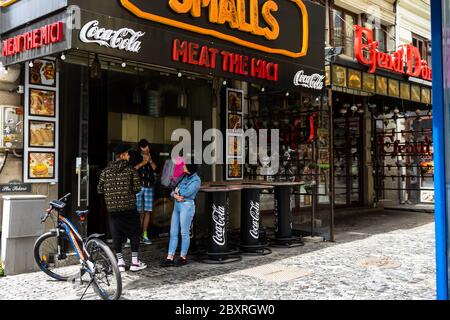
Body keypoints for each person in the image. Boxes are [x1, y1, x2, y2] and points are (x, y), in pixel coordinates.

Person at [97, 144, 147, 272]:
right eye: (127, 154)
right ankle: (135, 262)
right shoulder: (131, 171)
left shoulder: (105, 171)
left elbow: (99, 189)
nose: (129, 156)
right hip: (129, 207)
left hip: (113, 209)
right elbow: (137, 188)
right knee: (134, 232)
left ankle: (120, 263)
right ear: (122, 156)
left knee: (116, 234)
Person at [161, 161, 201, 267]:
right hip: (178, 205)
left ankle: (183, 257)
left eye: (185, 165)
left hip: (187, 206)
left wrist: (176, 192)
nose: (183, 166)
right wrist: (175, 195)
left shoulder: (196, 180)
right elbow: (172, 189)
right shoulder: (184, 177)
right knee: (173, 232)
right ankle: (170, 257)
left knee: (184, 232)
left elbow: (187, 193)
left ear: (189, 168)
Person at [131, 139, 158, 244]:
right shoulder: (136, 156)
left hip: (149, 186)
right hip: (138, 186)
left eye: (146, 148)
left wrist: (150, 161)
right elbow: (133, 169)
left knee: (147, 211)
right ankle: (134, 235)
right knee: (138, 212)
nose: (145, 150)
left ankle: (145, 234)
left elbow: (156, 169)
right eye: (143, 149)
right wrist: (143, 162)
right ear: (140, 149)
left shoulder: (153, 154)